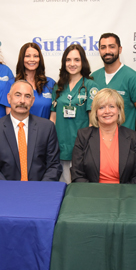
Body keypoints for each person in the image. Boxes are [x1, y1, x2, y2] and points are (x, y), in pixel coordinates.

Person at [0, 80, 61, 181]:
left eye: (27, 96)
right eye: (18, 95)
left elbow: (54, 166)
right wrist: (10, 191)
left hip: (39, 191)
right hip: (6, 191)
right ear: (9, 98)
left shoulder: (47, 128)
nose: (22, 101)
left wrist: (41, 189)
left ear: (32, 101)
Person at [71, 88, 136, 184]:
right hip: (92, 193)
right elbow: (77, 174)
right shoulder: (83, 136)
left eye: (111, 106)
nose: (107, 111)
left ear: (119, 110)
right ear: (96, 112)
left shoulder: (133, 137)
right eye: (101, 107)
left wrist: (125, 195)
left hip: (124, 194)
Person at [50, 44, 97, 183]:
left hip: (81, 148)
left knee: (77, 189)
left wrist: (86, 147)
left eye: (76, 60)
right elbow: (53, 118)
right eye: (68, 60)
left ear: (83, 62)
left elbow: (92, 121)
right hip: (60, 147)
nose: (72, 64)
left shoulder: (90, 86)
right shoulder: (58, 87)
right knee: (60, 189)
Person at [90, 33, 136, 130]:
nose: (107, 51)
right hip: (99, 139)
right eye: (103, 47)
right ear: (99, 51)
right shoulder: (93, 77)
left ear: (120, 49)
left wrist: (128, 129)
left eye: (112, 47)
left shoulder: (132, 77)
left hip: (124, 141)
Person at [1, 42, 55, 119]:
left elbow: (54, 115)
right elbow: (10, 116)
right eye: (27, 56)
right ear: (22, 58)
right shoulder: (12, 83)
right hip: (21, 129)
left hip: (45, 130)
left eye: (35, 56)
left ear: (40, 59)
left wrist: (48, 130)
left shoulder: (50, 84)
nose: (32, 59)